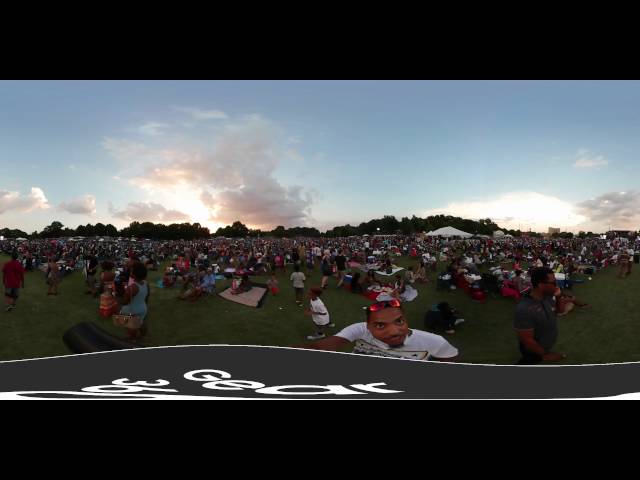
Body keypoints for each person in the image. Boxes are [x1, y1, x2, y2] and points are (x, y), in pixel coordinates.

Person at [295, 298, 458, 361]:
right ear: (367, 326)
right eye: (380, 325)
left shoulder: (435, 342)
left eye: (399, 321)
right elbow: (323, 346)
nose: (394, 331)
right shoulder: (359, 330)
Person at [514, 267, 566, 365]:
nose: (557, 285)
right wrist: (545, 355)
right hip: (533, 351)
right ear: (541, 285)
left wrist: (559, 296)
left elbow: (560, 310)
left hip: (544, 345)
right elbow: (527, 340)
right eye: (553, 283)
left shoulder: (548, 297)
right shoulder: (524, 309)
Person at [119, 262, 149, 340]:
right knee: (141, 323)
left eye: (131, 271)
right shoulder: (146, 283)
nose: (130, 272)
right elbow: (146, 296)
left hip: (132, 310)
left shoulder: (131, 288)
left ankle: (131, 337)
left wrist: (125, 289)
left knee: (131, 326)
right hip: (143, 308)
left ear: (134, 275)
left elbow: (125, 302)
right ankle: (142, 335)